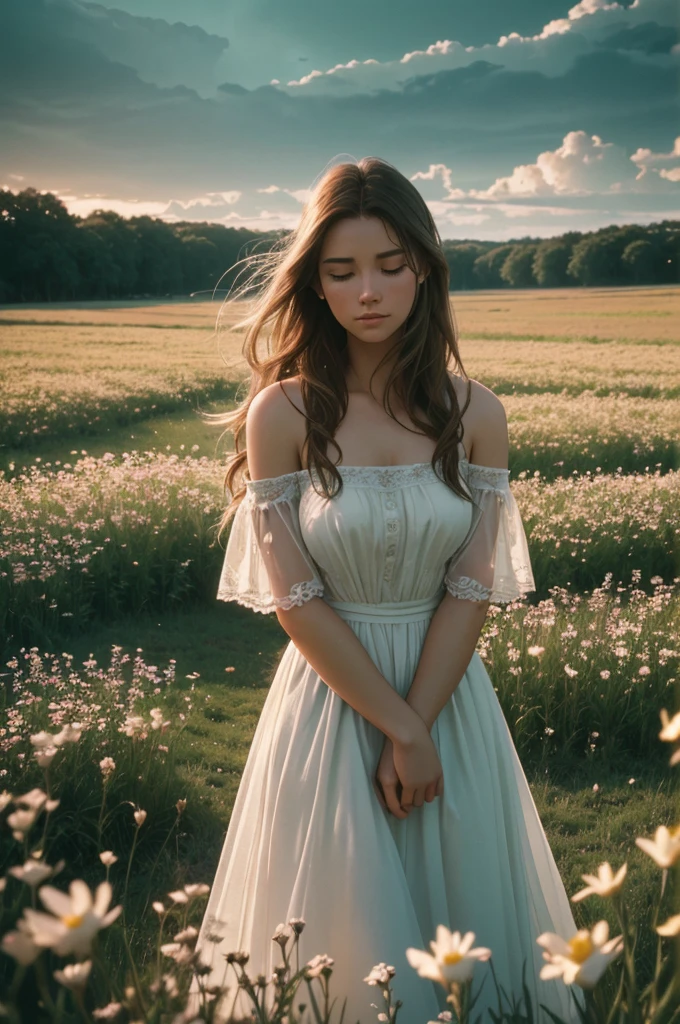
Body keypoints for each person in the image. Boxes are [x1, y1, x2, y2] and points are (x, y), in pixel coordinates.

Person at [189, 157, 585, 1023]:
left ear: (424, 269)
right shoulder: (283, 414)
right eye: (341, 270)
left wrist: (428, 720)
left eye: (389, 264)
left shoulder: (475, 411)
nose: (368, 289)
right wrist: (401, 730)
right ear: (315, 285)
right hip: (334, 700)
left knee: (470, 941)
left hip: (451, 698)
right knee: (338, 936)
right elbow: (298, 603)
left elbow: (471, 588)